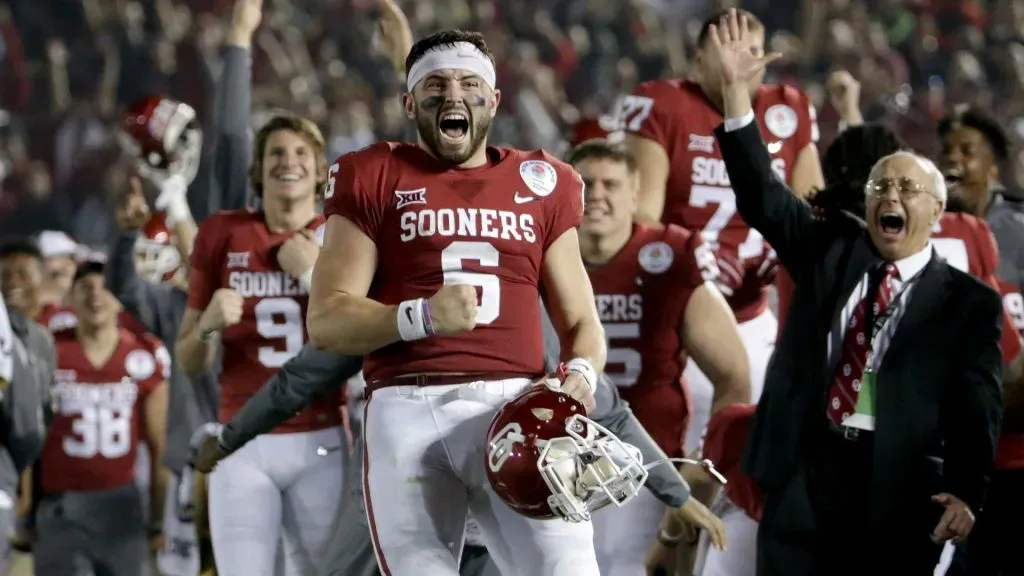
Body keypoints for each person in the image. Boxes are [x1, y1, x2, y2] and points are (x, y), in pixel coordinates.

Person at [710, 9, 1003, 575]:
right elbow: (763, 195)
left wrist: (968, 490)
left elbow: (977, 405)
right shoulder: (831, 247)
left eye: (907, 188)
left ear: (937, 210)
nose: (890, 195)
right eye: (880, 186)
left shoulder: (968, 303)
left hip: (900, 485)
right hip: (805, 473)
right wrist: (734, 94)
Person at [307, 29, 608, 576]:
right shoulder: (374, 174)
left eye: (470, 84)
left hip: (518, 407)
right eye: (436, 85)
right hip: (407, 409)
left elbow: (582, 319)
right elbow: (327, 319)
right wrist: (419, 315)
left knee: (572, 568)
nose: (453, 96)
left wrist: (581, 376)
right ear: (408, 102)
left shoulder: (544, 182)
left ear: (493, 101)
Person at [618, 7, 825, 455]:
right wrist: (688, 265)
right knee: (679, 448)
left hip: (756, 314)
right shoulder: (664, 103)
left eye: (752, 50)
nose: (741, 61)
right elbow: (641, 223)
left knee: (755, 457)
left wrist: (789, 244)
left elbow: (816, 219)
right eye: (727, 49)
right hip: (683, 316)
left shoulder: (788, 107)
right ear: (697, 62)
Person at [174, 110, 347, 576]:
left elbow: (367, 336)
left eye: (300, 153)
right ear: (257, 169)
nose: (287, 162)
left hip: (323, 436)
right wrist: (207, 324)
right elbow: (189, 360)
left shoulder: (342, 235)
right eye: (275, 153)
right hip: (241, 437)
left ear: (319, 170)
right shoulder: (221, 233)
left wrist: (313, 275)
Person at [566, 138, 748, 575]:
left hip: (645, 469)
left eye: (611, 183)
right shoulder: (540, 260)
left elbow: (734, 376)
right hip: (562, 468)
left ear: (635, 194)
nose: (598, 194)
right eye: (586, 183)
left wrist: (699, 476)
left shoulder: (667, 256)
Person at [34, 259, 169, 576]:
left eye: (105, 288)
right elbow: (29, 432)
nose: (96, 296)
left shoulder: (143, 357)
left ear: (119, 296)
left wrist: (158, 519)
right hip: (60, 503)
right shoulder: (48, 351)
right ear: (71, 297)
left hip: (120, 503)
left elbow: (159, 445)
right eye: (85, 288)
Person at [937, 107, 1024, 576]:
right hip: (949, 460)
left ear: (993, 167)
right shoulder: (921, 235)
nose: (953, 160)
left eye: (967, 152)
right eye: (946, 152)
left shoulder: (1019, 233)